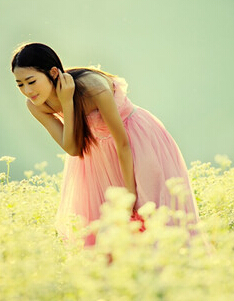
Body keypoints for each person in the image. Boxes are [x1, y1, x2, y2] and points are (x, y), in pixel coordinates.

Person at [11, 43, 200, 246]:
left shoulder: (92, 88)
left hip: (136, 142)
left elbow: (123, 143)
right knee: (104, 234)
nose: (27, 91)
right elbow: (73, 149)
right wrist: (67, 103)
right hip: (96, 154)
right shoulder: (36, 105)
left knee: (150, 216)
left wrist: (129, 195)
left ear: (54, 73)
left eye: (31, 81)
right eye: (20, 84)